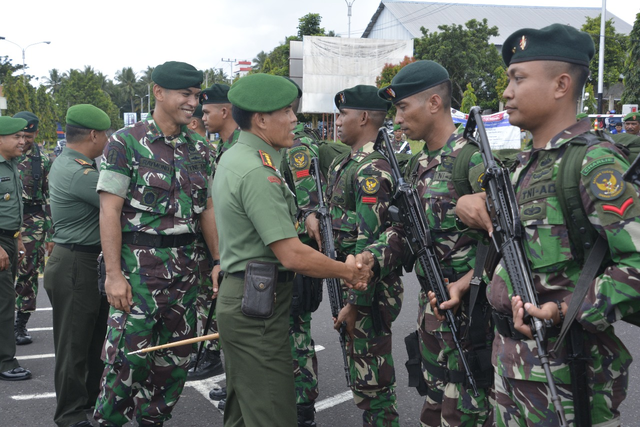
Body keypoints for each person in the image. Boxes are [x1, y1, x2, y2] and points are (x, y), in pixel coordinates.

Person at [456, 23, 640, 426]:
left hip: (568, 377)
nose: (506, 92)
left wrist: (565, 311)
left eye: (518, 79)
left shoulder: (594, 164)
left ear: (560, 85)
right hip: (512, 368)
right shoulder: (527, 168)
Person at [212, 73, 371, 427]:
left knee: (243, 413)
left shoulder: (236, 156)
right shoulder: (258, 172)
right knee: (273, 414)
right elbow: (292, 255)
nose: (295, 120)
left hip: (246, 298)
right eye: (287, 111)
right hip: (258, 312)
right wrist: (348, 271)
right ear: (262, 120)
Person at [361, 60, 494, 427]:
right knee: (434, 405)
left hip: (469, 314)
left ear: (434, 103)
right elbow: (405, 232)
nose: (398, 118)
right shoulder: (417, 164)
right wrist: (370, 260)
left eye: (403, 106)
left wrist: (469, 280)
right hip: (432, 308)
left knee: (465, 410)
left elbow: (509, 240)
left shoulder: (470, 159)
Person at [93, 61, 218, 427]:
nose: (192, 102)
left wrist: (218, 260)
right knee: (124, 364)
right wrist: (113, 274)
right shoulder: (126, 141)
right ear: (159, 92)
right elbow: (109, 211)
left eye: (196, 95)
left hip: (186, 274)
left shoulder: (201, 148)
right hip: (138, 275)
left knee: (174, 365)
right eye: (185, 94)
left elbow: (207, 210)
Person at [306, 84, 403, 426]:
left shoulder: (371, 169)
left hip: (367, 293)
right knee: (362, 377)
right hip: (351, 286)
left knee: (373, 382)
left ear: (363, 117)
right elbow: (337, 216)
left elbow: (369, 244)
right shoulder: (346, 164)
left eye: (343, 114)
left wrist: (355, 302)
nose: (337, 121)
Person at [44, 104, 112, 427]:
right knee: (74, 342)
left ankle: (88, 398)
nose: (108, 140)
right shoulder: (79, 173)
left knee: (93, 337)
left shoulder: (69, 162)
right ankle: (70, 414)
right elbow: (119, 201)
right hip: (76, 261)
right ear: (94, 135)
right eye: (106, 135)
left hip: (82, 260)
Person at [12, 111, 53, 345]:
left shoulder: (43, 160)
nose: (24, 140)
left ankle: (20, 325)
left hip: (33, 222)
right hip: (6, 222)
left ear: (36, 133)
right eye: (20, 135)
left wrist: (51, 233)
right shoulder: (5, 154)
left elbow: (50, 197)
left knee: (28, 274)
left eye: (28, 135)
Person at [0, 115, 30, 381]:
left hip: (9, 239)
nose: (23, 141)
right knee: (4, 303)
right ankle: (5, 362)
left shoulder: (11, 164)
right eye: (17, 137)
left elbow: (12, 208)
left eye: (23, 136)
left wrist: (17, 237)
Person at [200, 83, 240, 166]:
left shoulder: (242, 146)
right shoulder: (222, 145)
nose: (203, 118)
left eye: (207, 113)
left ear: (224, 112)